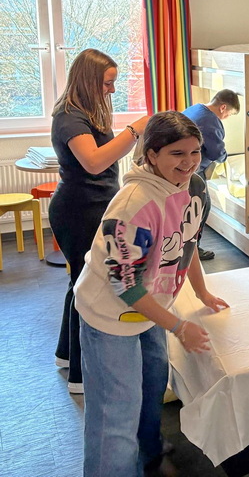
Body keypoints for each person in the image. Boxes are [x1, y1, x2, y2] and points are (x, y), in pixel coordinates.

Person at [74, 111, 229, 477]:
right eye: (177, 153)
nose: (189, 162)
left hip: (149, 310)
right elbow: (124, 285)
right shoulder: (133, 205)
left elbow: (187, 243)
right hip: (110, 317)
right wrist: (179, 326)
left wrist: (202, 292)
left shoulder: (191, 187)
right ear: (152, 154)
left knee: (152, 385)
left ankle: (149, 454)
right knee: (115, 414)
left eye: (195, 152)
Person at [50, 48, 149, 395]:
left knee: (79, 281)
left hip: (91, 205)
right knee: (89, 287)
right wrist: (134, 131)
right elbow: (94, 163)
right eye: (107, 83)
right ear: (89, 80)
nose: (112, 89)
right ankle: (81, 376)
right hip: (79, 210)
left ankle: (66, 355)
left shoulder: (84, 114)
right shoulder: (70, 117)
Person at [182, 89, 240, 260]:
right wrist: (225, 157)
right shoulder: (210, 121)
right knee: (201, 206)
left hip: (182, 166)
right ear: (223, 107)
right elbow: (216, 153)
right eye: (229, 114)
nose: (226, 117)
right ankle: (192, 250)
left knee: (190, 208)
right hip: (192, 169)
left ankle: (185, 247)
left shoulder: (195, 109)